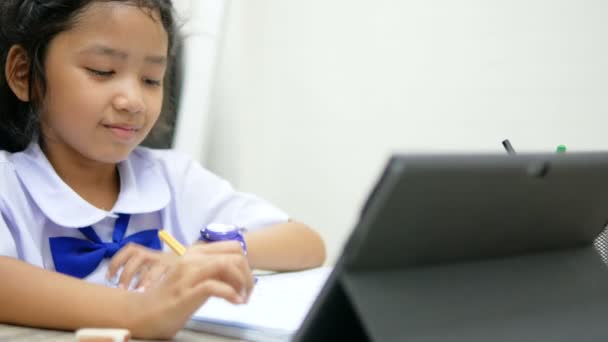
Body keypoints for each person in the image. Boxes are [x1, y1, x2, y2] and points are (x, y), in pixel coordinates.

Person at [0, 0, 326, 339]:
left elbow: (307, 244)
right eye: (102, 71)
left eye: (151, 79)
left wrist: (210, 254)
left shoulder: (173, 179)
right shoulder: (8, 185)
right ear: (24, 74)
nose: (133, 100)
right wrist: (140, 312)